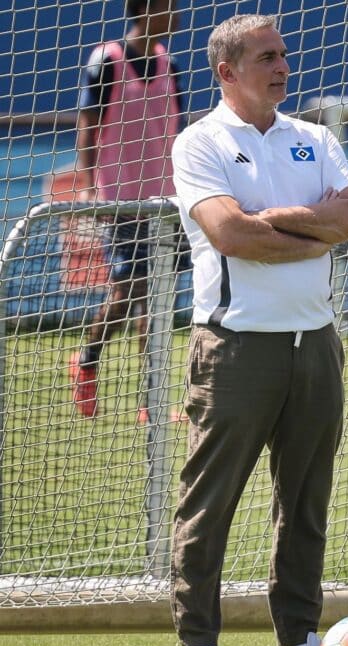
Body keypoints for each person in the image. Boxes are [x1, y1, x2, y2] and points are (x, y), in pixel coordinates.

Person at [168, 14, 348, 646]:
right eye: (266, 57)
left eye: (283, 54)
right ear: (227, 72)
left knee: (305, 505)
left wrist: (276, 221)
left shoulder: (313, 137)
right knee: (210, 502)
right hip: (234, 348)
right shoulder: (198, 143)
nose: (283, 66)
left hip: (315, 346)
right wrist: (312, 233)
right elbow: (231, 235)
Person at [67, 0, 184, 420]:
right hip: (119, 199)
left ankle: (151, 400)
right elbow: (88, 123)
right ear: (147, 9)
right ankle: (86, 361)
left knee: (155, 298)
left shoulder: (169, 64)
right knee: (129, 291)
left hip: (164, 200)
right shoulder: (108, 59)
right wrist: (89, 188)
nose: (178, 14)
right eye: (171, 7)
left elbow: (178, 130)